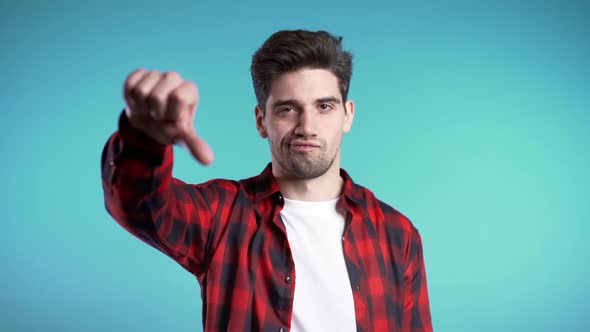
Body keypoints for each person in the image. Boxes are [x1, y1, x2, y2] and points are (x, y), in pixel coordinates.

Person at [101, 29, 433, 332]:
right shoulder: (223, 215)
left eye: (324, 106)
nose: (307, 125)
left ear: (347, 115)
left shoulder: (397, 234)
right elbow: (139, 204)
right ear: (262, 121)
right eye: (288, 109)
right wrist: (143, 141)